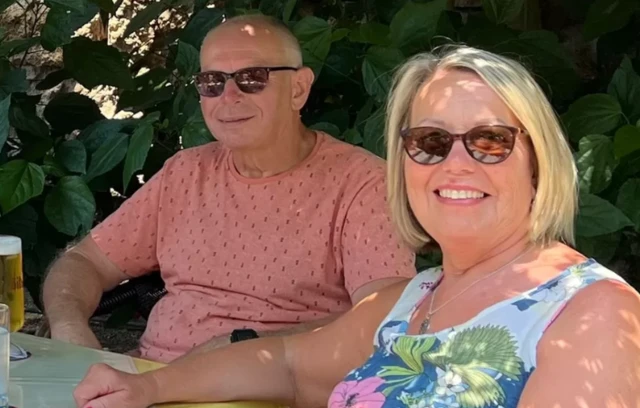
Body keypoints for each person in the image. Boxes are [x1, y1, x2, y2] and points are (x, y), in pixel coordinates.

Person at [73, 45, 640, 408]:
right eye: (430, 142)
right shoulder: (412, 299)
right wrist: (147, 387)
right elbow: (288, 366)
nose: (456, 163)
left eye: (491, 141)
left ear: (538, 162)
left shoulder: (593, 311)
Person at [42, 14, 416, 364]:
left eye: (252, 78)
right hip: (149, 383)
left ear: (299, 89)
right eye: (212, 83)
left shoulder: (361, 184)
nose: (229, 97)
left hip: (274, 393)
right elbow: (86, 261)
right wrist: (68, 324)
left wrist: (244, 347)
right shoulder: (186, 173)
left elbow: (383, 319)